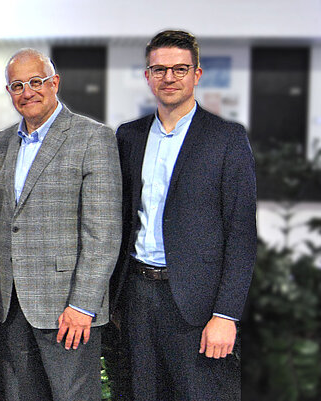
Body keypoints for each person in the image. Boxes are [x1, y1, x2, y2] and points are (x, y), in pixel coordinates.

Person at [114, 30, 256, 400]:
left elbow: (240, 234)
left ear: (197, 74)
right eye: (159, 69)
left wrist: (226, 315)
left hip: (199, 303)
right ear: (147, 76)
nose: (169, 78)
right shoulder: (128, 137)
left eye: (180, 68)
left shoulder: (227, 138)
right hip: (138, 296)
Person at [0, 49, 121, 401]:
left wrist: (83, 306)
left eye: (36, 81)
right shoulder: (4, 142)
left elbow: (104, 232)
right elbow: (10, 220)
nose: (27, 92)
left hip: (67, 307)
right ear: (9, 92)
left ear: (55, 83)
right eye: (17, 85)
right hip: (13, 304)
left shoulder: (93, 137)